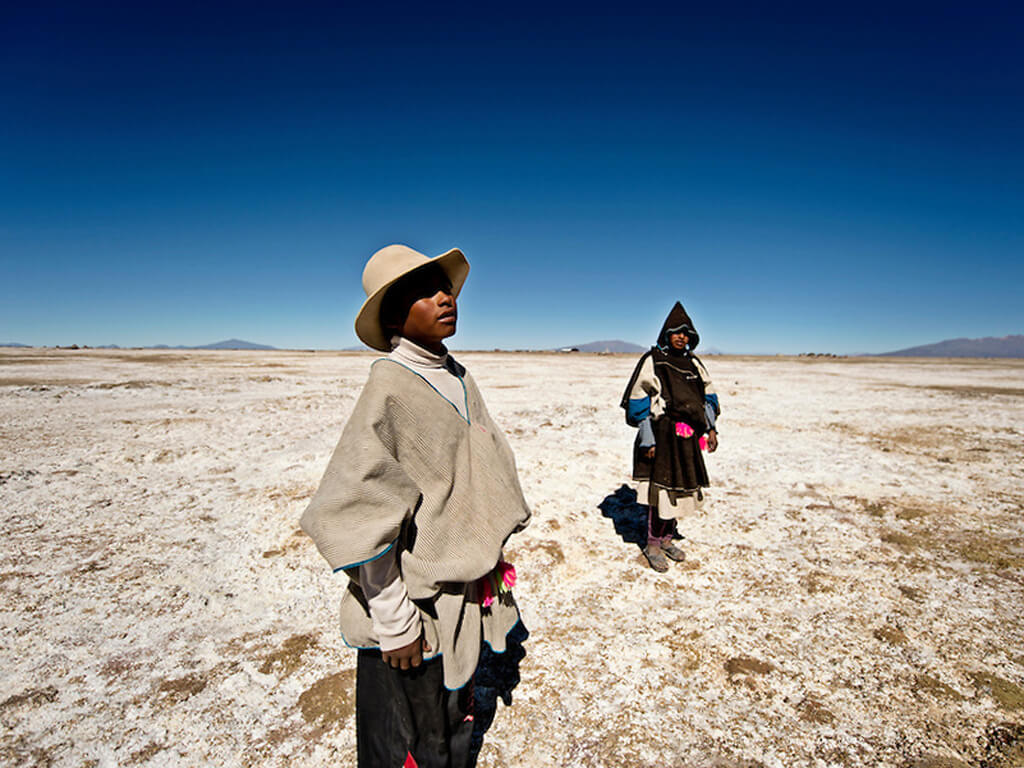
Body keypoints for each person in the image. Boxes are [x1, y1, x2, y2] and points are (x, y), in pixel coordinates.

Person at [300, 244, 531, 767]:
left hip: (459, 589)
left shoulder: (456, 374)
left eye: (443, 287)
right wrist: (394, 620)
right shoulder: (391, 388)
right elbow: (360, 513)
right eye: (425, 292)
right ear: (394, 315)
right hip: (413, 608)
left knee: (451, 720)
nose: (445, 297)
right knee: (411, 738)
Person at [620, 301, 720, 572]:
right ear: (666, 333)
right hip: (661, 436)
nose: (681, 337)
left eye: (686, 333)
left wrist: (710, 428)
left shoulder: (693, 364)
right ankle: (652, 544)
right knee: (662, 490)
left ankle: (666, 539)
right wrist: (647, 439)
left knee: (679, 490)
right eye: (676, 331)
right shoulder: (654, 361)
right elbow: (639, 402)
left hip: (687, 438)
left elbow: (707, 398)